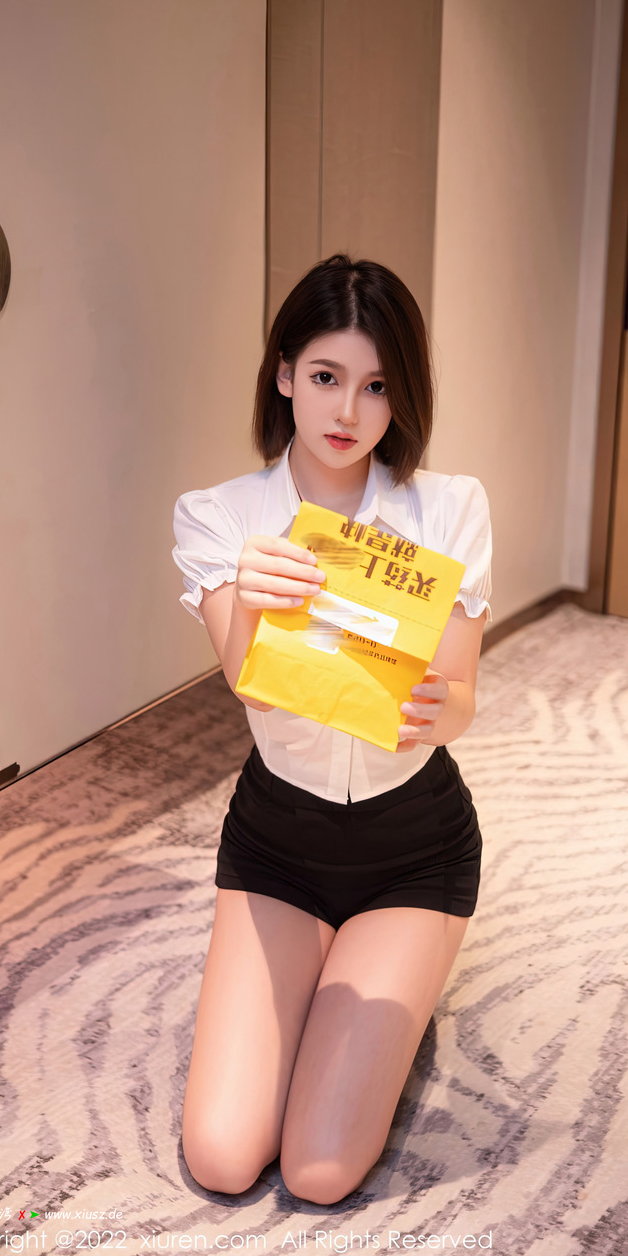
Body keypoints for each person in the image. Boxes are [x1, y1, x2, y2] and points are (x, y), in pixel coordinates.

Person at [171, 253, 492, 1205]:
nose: (348, 410)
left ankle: (401, 982)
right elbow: (253, 688)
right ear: (283, 374)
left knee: (319, 1170)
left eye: (377, 385)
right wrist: (253, 595)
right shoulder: (221, 516)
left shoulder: (450, 508)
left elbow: (460, 701)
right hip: (278, 842)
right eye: (325, 376)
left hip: (413, 849)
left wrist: (442, 707)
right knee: (223, 1155)